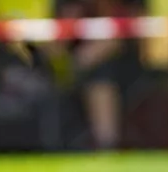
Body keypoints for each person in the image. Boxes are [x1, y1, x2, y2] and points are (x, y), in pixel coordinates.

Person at [53, 0, 147, 150]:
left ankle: (106, 145)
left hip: (118, 75)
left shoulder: (123, 9)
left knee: (102, 76)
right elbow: (55, 50)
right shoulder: (69, 5)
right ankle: (104, 144)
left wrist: (79, 61)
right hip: (69, 75)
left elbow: (125, 41)